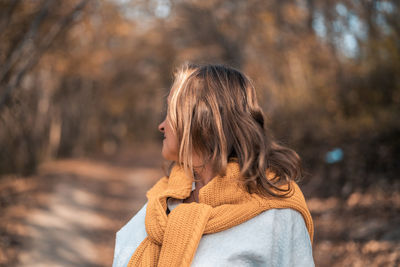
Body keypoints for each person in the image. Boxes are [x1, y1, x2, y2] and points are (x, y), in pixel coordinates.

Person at [112, 63, 314, 267]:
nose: (161, 125)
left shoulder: (277, 214)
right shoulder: (162, 200)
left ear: (201, 119)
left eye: (171, 111)